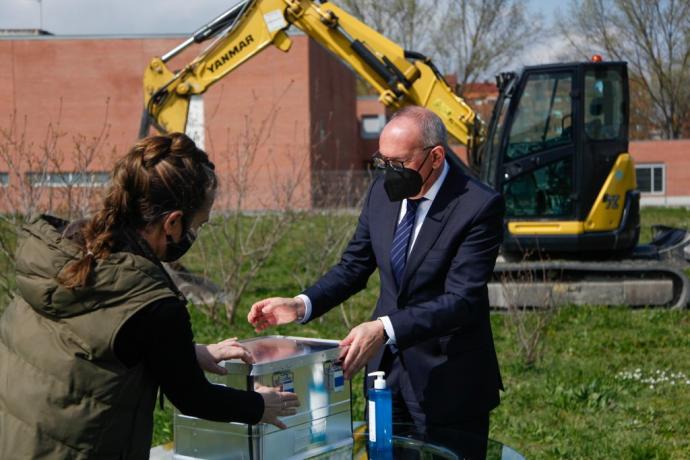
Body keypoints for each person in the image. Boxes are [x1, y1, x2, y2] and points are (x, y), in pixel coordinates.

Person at [0, 133, 299, 459]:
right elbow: (194, 397)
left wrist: (187, 352)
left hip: (17, 434)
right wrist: (260, 405)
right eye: (199, 224)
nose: (196, 234)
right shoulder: (153, 303)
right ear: (172, 223)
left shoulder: (66, 246)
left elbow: (88, 341)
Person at [248, 106, 503, 458]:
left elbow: (462, 300)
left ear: (436, 156)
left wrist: (384, 328)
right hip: (386, 375)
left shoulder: (477, 205)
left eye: (399, 163)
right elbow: (354, 265)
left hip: (449, 379)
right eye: (382, 161)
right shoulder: (382, 193)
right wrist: (301, 303)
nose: (388, 173)